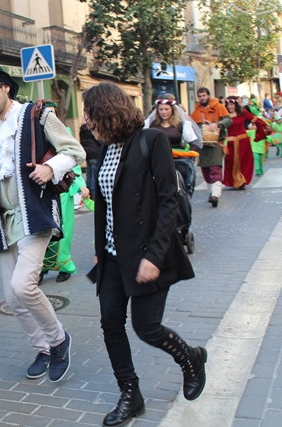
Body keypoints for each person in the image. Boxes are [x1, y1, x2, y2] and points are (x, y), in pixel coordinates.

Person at [83, 82, 206, 426]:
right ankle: (130, 393)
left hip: (147, 253)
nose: (87, 121)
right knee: (110, 324)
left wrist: (154, 255)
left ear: (107, 110)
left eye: (90, 113)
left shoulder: (152, 141)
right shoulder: (107, 149)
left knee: (146, 327)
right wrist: (98, 251)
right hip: (111, 255)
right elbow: (105, 207)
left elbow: (169, 200)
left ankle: (192, 359)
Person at [0, 65, 85, 381]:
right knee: (13, 298)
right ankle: (42, 348)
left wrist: (50, 168)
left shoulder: (37, 115)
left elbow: (74, 149)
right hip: (5, 222)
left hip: (36, 215)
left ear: (4, 88)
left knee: (22, 285)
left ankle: (59, 340)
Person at [145, 94, 203, 197]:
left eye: (166, 109)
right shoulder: (151, 124)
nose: (163, 112)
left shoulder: (181, 124)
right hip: (158, 161)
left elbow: (194, 143)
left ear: (172, 110)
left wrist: (187, 155)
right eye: (161, 109)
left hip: (178, 162)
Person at [39, 165, 89, 283]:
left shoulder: (64, 147)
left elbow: (73, 166)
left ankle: (64, 267)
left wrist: (81, 186)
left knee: (64, 229)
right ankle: (40, 267)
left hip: (62, 191)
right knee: (42, 231)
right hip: (42, 192)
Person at [190, 87, 232, 207]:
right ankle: (212, 192)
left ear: (209, 95)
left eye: (204, 95)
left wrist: (218, 124)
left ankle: (216, 195)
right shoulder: (196, 112)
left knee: (215, 168)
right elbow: (191, 126)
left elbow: (228, 121)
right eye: (200, 96)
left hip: (216, 143)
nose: (202, 98)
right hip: (202, 146)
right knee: (206, 170)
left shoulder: (219, 107)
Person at [223, 96, 264, 189]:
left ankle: (242, 181)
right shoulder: (224, 115)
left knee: (244, 161)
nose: (229, 107)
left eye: (232, 104)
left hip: (243, 141)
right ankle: (232, 181)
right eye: (228, 105)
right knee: (230, 161)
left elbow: (254, 118)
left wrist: (253, 125)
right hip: (230, 142)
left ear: (236, 104)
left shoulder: (242, 113)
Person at [79, 117, 104, 200]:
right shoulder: (91, 130)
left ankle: (88, 189)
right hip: (95, 153)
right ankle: (93, 192)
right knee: (94, 173)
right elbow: (99, 141)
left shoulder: (82, 130)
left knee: (89, 172)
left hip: (87, 153)